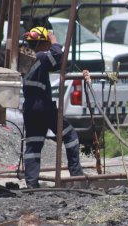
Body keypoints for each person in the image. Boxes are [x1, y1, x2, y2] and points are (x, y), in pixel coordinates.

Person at [22, 26, 83, 188]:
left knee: (33, 145)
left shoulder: (26, 58)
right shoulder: (40, 56)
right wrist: (54, 39)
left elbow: (57, 62)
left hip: (30, 108)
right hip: (42, 106)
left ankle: (31, 184)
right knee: (70, 136)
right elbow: (56, 53)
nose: (49, 46)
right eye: (47, 43)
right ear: (41, 43)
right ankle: (76, 176)